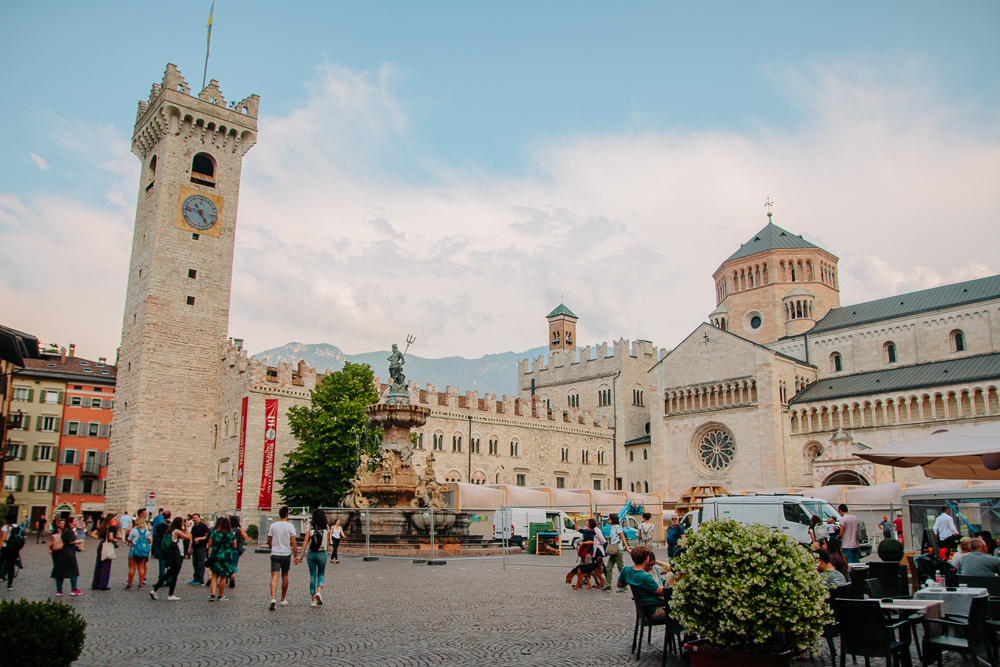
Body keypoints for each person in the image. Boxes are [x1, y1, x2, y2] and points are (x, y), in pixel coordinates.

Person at [615, 546, 666, 622]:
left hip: (643, 610)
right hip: (654, 611)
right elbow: (663, 592)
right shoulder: (645, 577)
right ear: (646, 558)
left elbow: (619, 584)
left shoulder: (627, 570)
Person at [150, 517, 191, 601]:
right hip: (177, 554)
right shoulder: (177, 531)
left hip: (173, 554)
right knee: (174, 574)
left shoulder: (171, 530)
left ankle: (155, 590)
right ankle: (170, 594)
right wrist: (187, 527)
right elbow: (188, 537)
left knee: (169, 574)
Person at [267, 506, 299, 610]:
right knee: (285, 576)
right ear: (287, 515)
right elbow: (293, 542)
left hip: (275, 553)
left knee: (274, 577)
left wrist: (272, 548)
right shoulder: (290, 526)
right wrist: (295, 555)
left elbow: (269, 539)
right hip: (285, 554)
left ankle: (272, 598)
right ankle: (283, 598)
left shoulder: (273, 525)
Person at [298, 509, 330, 606]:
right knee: (321, 574)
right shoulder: (326, 527)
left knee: (312, 575)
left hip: (311, 553)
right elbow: (328, 541)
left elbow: (305, 541)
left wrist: (302, 555)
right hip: (322, 552)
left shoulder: (310, 526)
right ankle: (318, 592)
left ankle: (313, 600)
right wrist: (326, 552)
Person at [207, 516, 237, 601]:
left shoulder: (214, 533)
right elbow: (234, 545)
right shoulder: (230, 534)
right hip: (226, 557)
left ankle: (212, 595)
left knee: (214, 576)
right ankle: (220, 595)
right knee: (223, 577)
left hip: (215, 556)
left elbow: (210, 544)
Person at [51, 516, 82, 596]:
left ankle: (59, 591)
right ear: (70, 523)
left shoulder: (64, 530)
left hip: (60, 554)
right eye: (74, 522)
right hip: (68, 553)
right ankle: (74, 589)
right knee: (74, 571)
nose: (75, 523)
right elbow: (70, 542)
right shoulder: (70, 531)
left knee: (60, 573)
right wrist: (78, 542)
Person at [602, 514, 629, 592]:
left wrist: (627, 548)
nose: (608, 520)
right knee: (609, 568)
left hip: (618, 549)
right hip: (613, 550)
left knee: (621, 568)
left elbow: (622, 537)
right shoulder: (612, 527)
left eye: (609, 519)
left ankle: (624, 586)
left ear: (612, 519)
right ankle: (608, 584)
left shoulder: (617, 527)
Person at [91, 513, 119, 590]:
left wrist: (100, 539)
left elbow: (93, 534)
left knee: (99, 565)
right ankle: (103, 584)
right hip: (108, 546)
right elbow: (110, 538)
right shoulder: (111, 527)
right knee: (106, 566)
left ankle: (95, 584)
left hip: (101, 545)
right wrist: (115, 540)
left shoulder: (102, 526)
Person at [126, 517, 152, 590]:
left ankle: (130, 585)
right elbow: (149, 541)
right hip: (142, 550)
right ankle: (140, 585)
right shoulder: (146, 532)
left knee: (131, 568)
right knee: (141, 567)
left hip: (134, 549)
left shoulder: (133, 531)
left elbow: (129, 540)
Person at [1, 510, 24, 589]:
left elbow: (2, 539)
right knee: (11, 565)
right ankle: (10, 583)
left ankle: (2, 575)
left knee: (1, 562)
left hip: (5, 547)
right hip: (14, 549)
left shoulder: (6, 527)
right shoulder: (18, 527)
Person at [187, 514, 210, 586]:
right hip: (195, 547)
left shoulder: (203, 526)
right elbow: (191, 537)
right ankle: (195, 578)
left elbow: (207, 536)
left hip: (201, 547)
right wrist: (189, 547)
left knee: (200, 563)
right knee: (195, 563)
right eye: (193, 518)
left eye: (196, 517)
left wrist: (199, 538)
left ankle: (200, 579)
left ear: (199, 518)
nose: (194, 519)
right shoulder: (194, 527)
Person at [229, 515, 249, 588]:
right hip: (237, 549)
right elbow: (245, 537)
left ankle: (228, 576)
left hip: (228, 548)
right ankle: (233, 576)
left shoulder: (228, 529)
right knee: (234, 564)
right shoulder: (239, 529)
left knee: (228, 563)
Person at [152, 510, 172, 581]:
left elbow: (157, 537)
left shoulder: (159, 526)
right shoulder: (172, 526)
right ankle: (169, 580)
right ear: (170, 516)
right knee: (170, 564)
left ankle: (161, 579)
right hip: (170, 547)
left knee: (162, 564)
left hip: (162, 546)